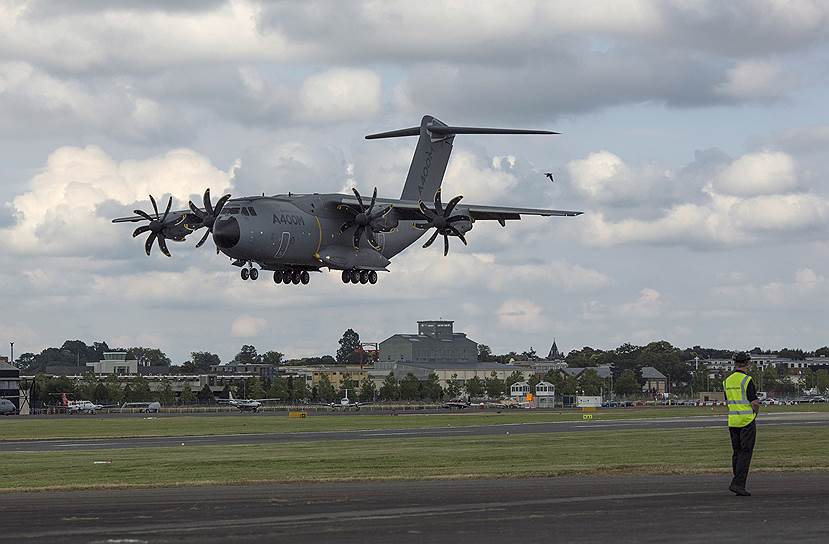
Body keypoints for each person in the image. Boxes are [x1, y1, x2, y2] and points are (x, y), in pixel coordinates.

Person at [723, 352, 760, 496]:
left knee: (737, 453)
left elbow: (728, 401)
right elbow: (755, 402)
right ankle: (738, 484)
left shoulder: (727, 381)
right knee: (745, 453)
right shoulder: (747, 380)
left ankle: (737, 482)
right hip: (746, 421)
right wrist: (754, 413)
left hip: (733, 421)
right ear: (747, 363)